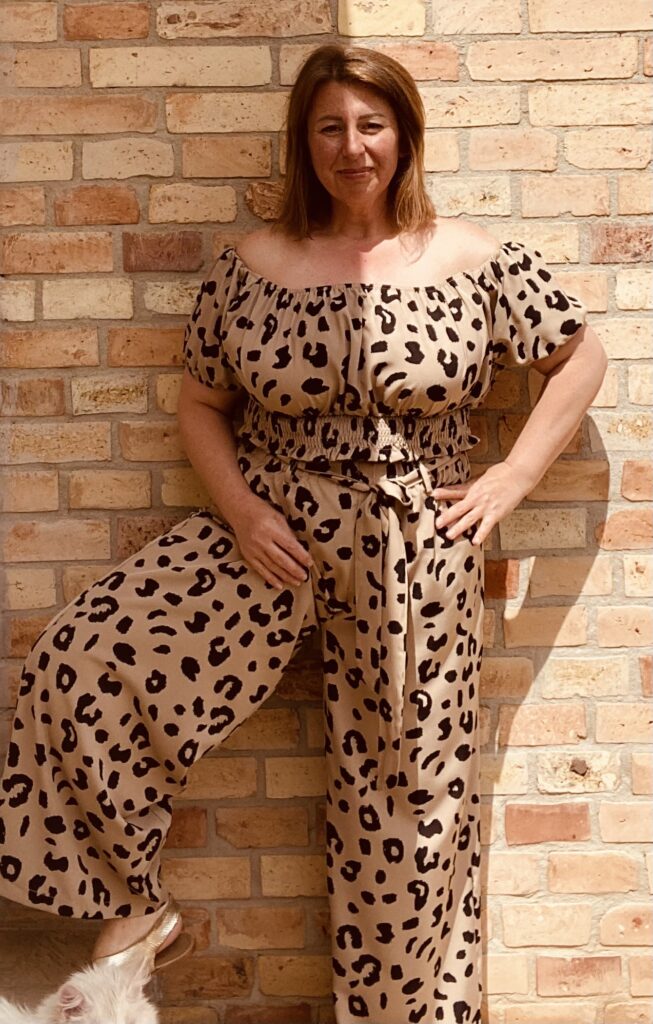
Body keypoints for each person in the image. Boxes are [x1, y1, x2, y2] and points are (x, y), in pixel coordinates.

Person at [0, 42, 607, 1024]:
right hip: (267, 533)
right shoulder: (251, 266)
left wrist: (513, 475)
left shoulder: (471, 258)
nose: (350, 147)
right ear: (302, 141)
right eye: (329, 127)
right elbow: (202, 404)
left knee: (405, 807)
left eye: (370, 124)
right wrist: (243, 510)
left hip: (415, 546)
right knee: (81, 662)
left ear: (403, 135)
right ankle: (132, 911)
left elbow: (578, 357)